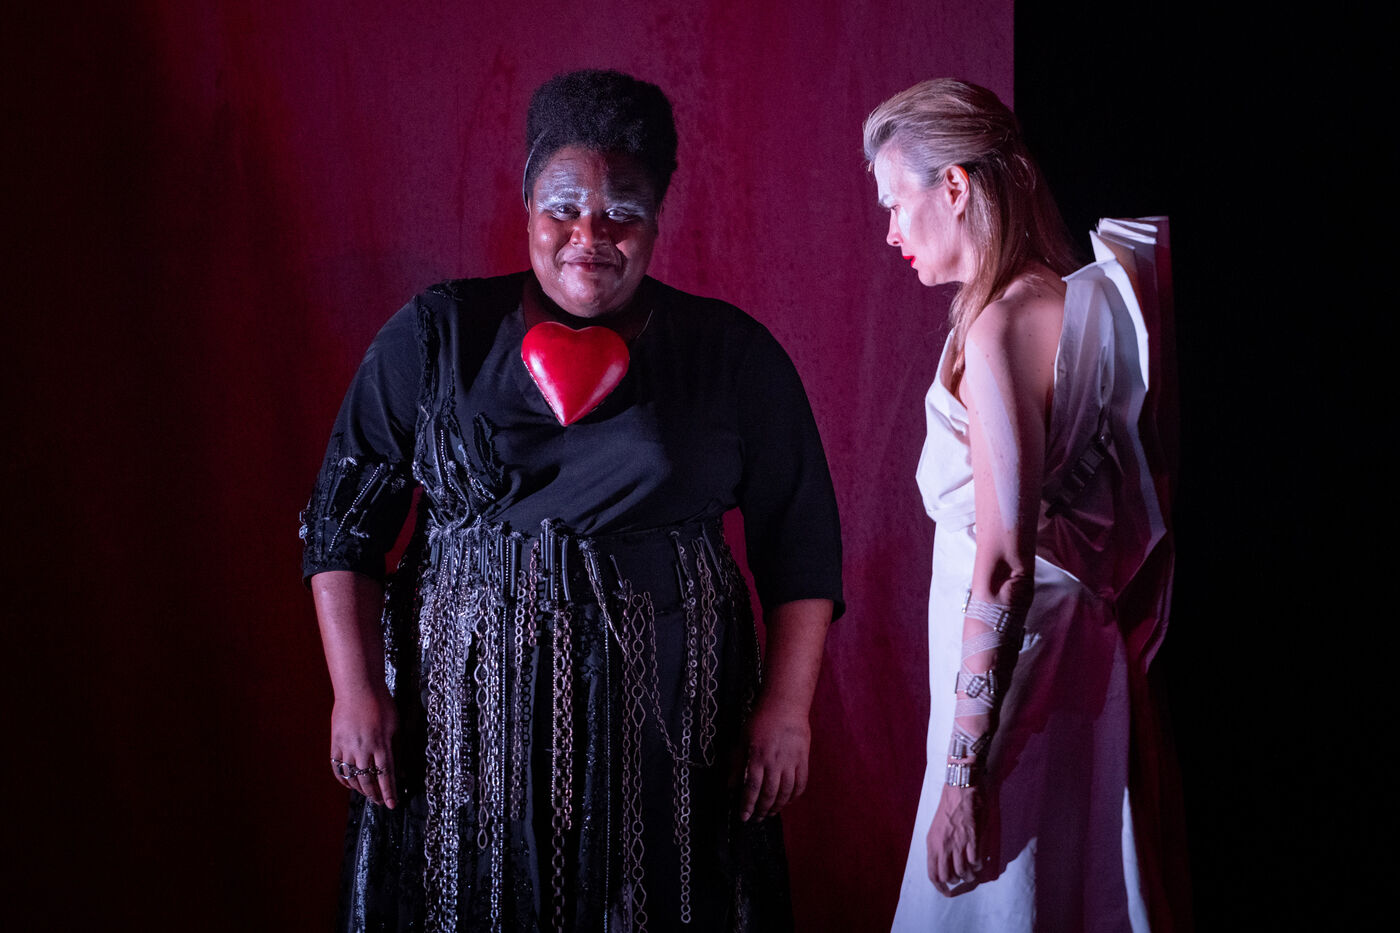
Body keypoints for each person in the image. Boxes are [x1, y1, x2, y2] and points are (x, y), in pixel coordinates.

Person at [300, 69, 842, 932]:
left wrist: (786, 710)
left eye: (622, 211)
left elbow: (800, 541)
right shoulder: (438, 333)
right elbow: (343, 528)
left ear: (658, 216)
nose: (590, 235)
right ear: (527, 202)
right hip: (461, 741)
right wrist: (356, 690)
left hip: (672, 743)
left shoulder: (730, 352)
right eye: (563, 207)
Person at [863, 79, 1175, 931]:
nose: (890, 231)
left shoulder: (999, 326)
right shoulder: (1068, 298)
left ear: (954, 186)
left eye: (895, 203)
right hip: (1071, 661)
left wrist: (963, 774)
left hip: (1017, 689)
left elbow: (1002, 565)